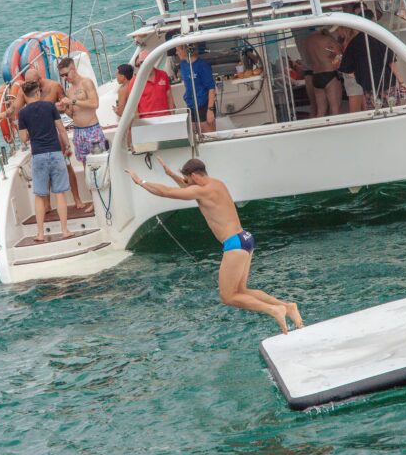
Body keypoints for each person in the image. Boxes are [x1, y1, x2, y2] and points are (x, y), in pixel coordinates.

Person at [126, 158, 304, 334]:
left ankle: (274, 310)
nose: (186, 183)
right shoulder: (217, 184)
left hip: (234, 244)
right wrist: (172, 174)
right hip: (245, 238)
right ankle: (287, 306)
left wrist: (140, 181)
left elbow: (166, 192)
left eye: (187, 179)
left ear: (194, 176)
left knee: (228, 297)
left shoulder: (202, 191)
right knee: (241, 290)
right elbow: (189, 189)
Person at [0, 67, 86, 210]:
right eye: (27, 83)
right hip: (37, 138)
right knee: (44, 172)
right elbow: (15, 107)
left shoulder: (54, 86)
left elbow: (67, 108)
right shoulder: (25, 90)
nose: (29, 86)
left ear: (39, 80)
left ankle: (77, 199)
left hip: (54, 136)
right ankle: (47, 205)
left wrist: (66, 110)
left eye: (32, 83)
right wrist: (3, 114)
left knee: (67, 166)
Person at [17, 80, 75, 243]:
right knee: (60, 193)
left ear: (25, 95)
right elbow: (61, 129)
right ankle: (64, 231)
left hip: (39, 156)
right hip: (56, 153)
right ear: (37, 93)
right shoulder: (50, 107)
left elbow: (23, 138)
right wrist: (68, 146)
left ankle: (41, 234)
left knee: (40, 196)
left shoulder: (22, 114)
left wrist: (29, 134)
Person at [58, 57, 106, 190]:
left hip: (92, 129)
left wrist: (73, 102)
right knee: (86, 167)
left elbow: (94, 104)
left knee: (99, 163)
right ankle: (93, 199)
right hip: (78, 132)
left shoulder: (86, 83)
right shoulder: (70, 90)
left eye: (66, 74)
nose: (65, 78)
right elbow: (73, 114)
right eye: (62, 76)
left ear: (73, 69)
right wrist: (63, 109)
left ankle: (104, 195)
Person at [334, 23, 406, 110]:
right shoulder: (379, 39)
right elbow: (391, 62)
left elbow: (347, 69)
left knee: (375, 114)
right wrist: (401, 81)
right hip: (388, 83)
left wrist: (360, 78)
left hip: (369, 88)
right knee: (394, 111)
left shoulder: (353, 44)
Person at [175, 45, 217, 132]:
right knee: (195, 136)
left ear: (185, 50)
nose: (176, 53)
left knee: (209, 136)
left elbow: (211, 88)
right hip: (191, 105)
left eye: (178, 50)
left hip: (204, 105)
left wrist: (210, 110)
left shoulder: (202, 66)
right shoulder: (183, 65)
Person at [304, 29, 343, 116]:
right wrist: (333, 61)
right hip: (330, 74)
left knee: (321, 110)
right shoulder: (328, 39)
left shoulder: (308, 40)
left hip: (316, 75)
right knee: (335, 108)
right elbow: (339, 56)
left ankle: (319, 129)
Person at [128, 49, 175, 118]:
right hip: (147, 121)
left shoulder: (163, 75)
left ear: (152, 61)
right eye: (142, 62)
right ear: (139, 63)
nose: (144, 64)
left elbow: (169, 97)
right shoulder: (134, 81)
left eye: (147, 60)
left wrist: (172, 116)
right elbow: (133, 106)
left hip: (165, 117)